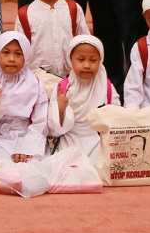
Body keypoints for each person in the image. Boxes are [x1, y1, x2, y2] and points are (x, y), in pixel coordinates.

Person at [17, 0, 89, 78]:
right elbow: (20, 51)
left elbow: (85, 43)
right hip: (38, 81)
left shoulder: (73, 8)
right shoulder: (25, 14)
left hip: (71, 79)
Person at [48, 35, 115, 163]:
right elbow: (54, 130)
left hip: (98, 138)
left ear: (100, 61)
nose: (87, 65)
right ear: (71, 61)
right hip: (70, 138)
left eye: (93, 60)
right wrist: (60, 109)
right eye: (81, 59)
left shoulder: (106, 87)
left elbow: (116, 120)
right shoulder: (62, 89)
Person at [0, 31, 48, 164]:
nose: (11, 59)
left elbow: (41, 121)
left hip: (28, 137)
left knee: (34, 168)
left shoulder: (35, 84)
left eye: (18, 54)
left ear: (26, 56)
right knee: (0, 165)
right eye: (6, 53)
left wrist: (27, 148)